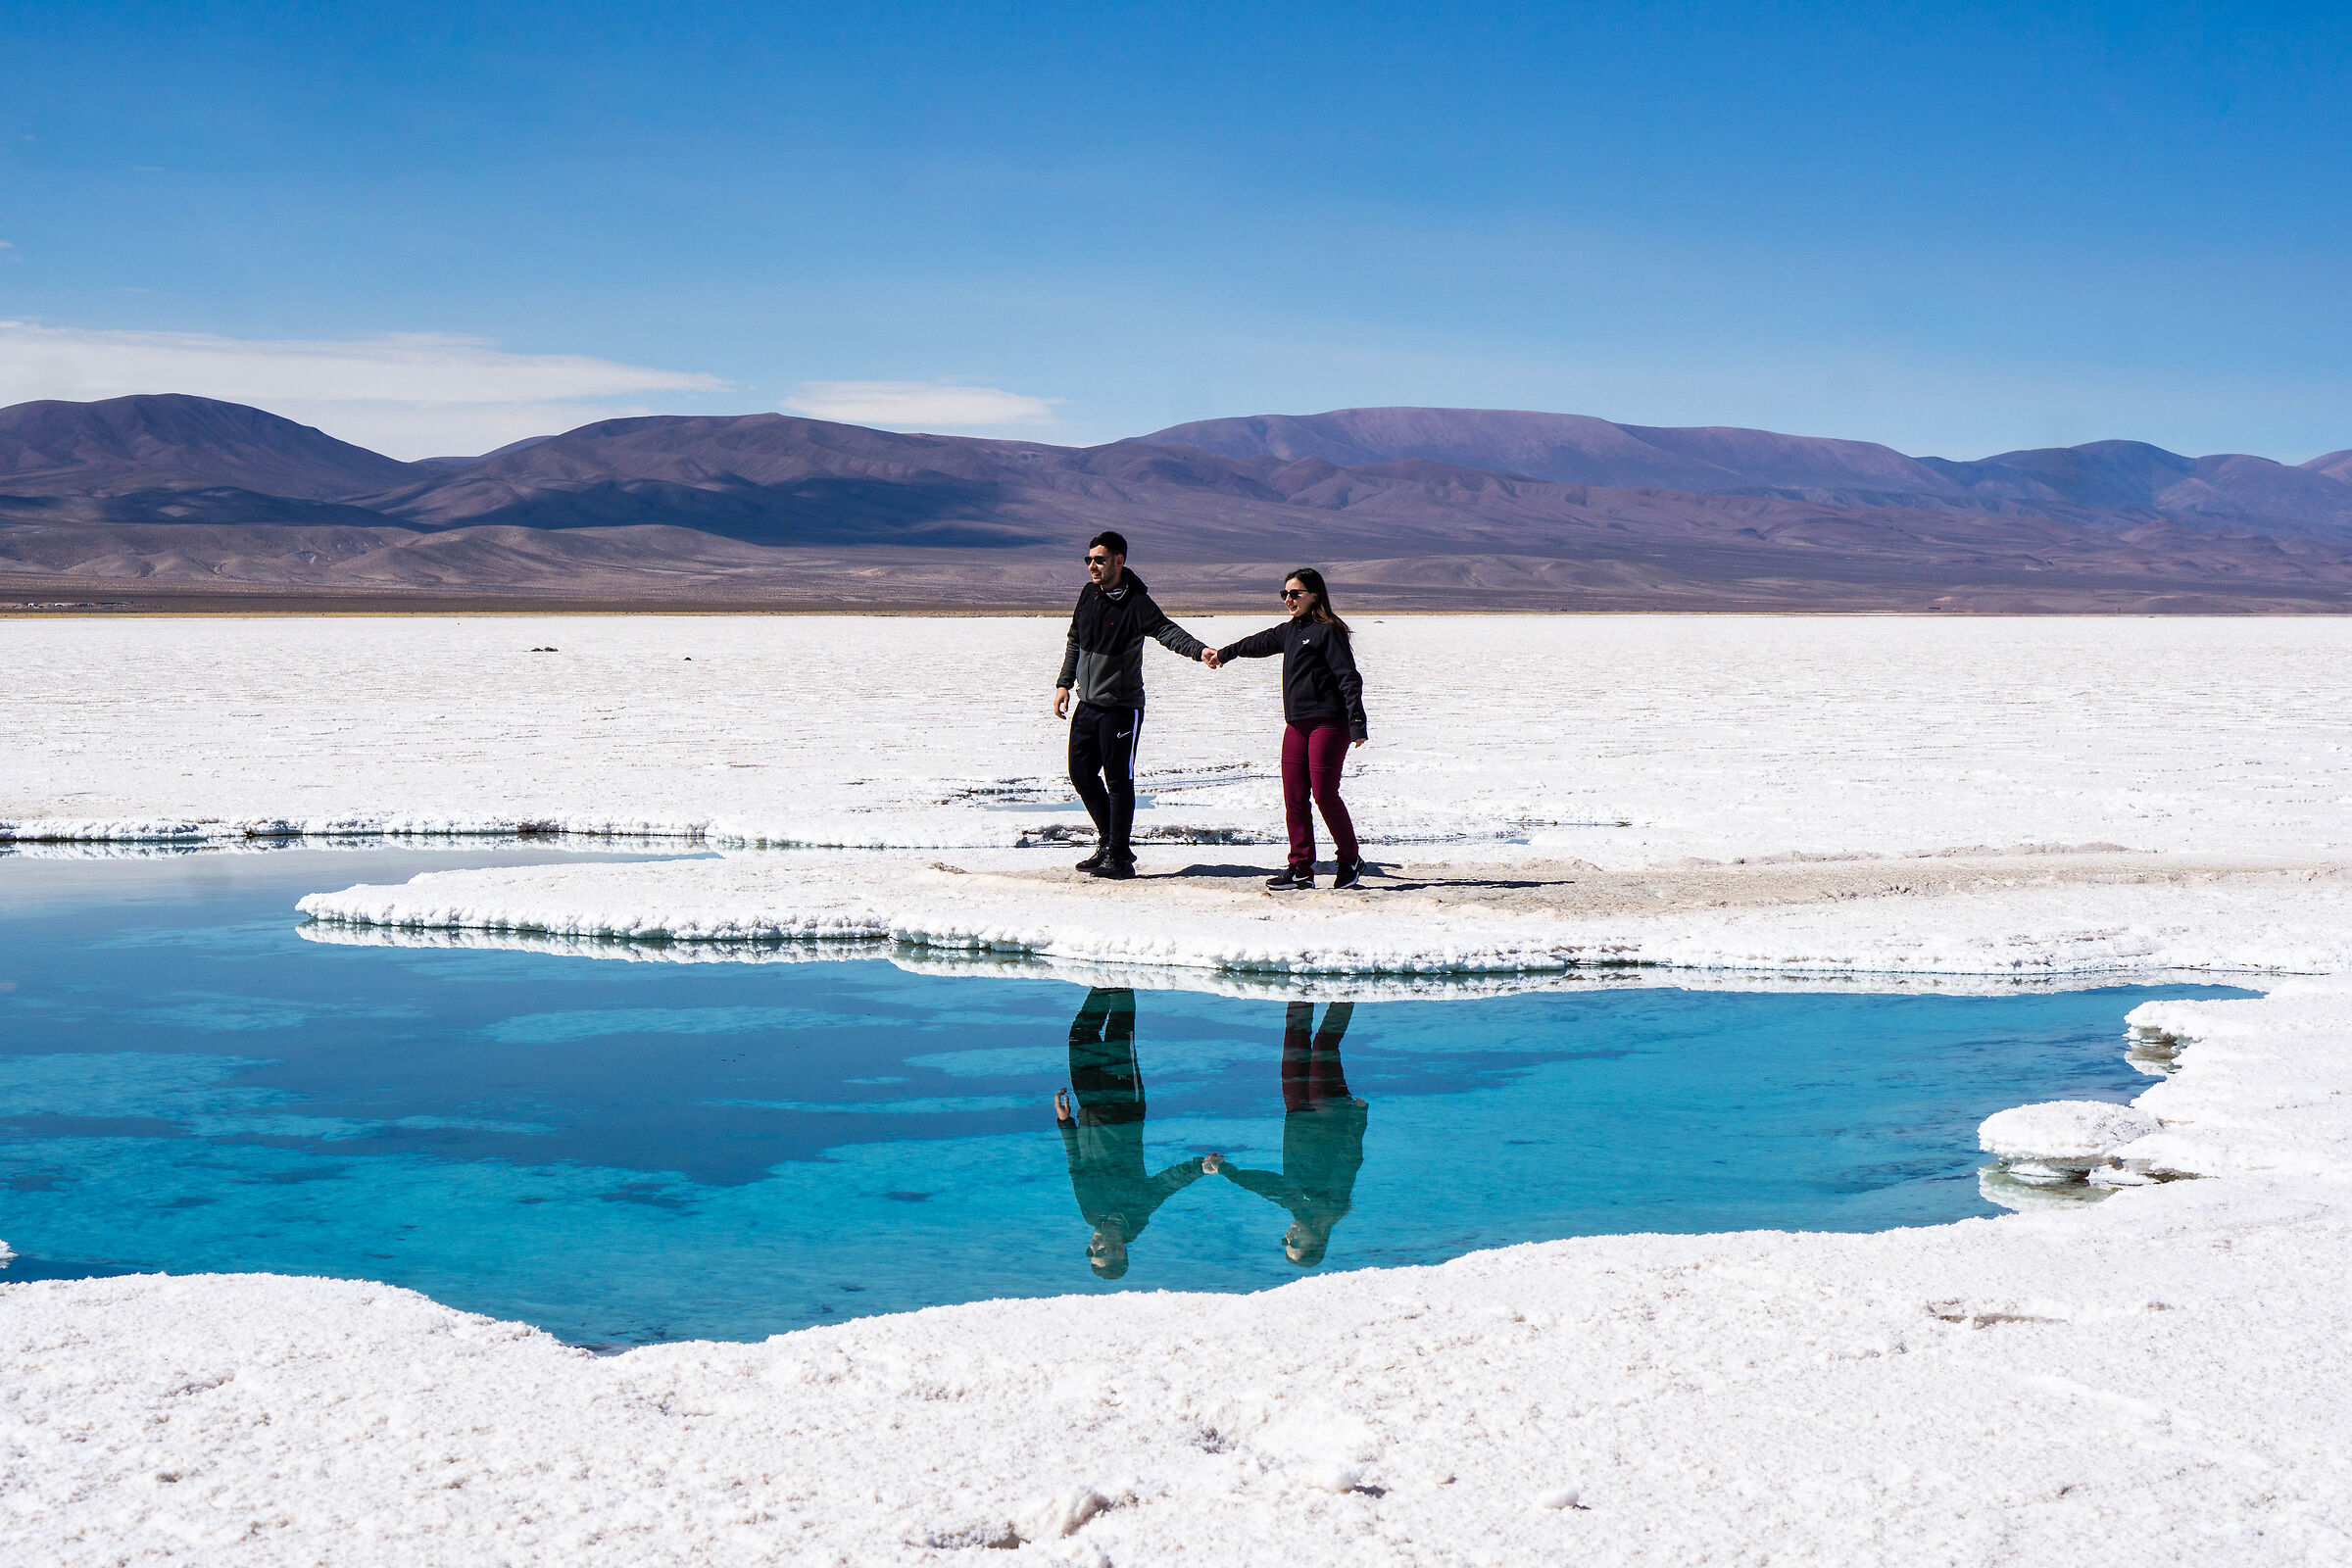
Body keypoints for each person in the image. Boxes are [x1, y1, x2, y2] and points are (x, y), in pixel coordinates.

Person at [1053, 530, 1213, 881]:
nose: (1092, 566)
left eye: (1099, 560)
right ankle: (1111, 842)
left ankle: (1119, 857)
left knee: (1118, 781)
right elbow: (1075, 641)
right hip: (1088, 704)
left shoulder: (1137, 603)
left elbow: (1167, 632)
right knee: (1080, 773)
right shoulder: (1088, 594)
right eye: (1089, 560)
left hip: (1122, 706)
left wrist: (1199, 651)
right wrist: (1065, 683)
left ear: (1118, 561)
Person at [1204, 567, 1367, 890]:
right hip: (1296, 724)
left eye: (1295, 594)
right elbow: (1257, 643)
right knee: (1294, 796)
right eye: (1285, 594)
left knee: (1323, 793)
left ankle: (1350, 860)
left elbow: (1348, 677)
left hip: (1329, 723)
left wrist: (1356, 721)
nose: (1288, 599)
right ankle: (1301, 868)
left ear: (1315, 595)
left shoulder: (1328, 630)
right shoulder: (1291, 631)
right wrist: (1224, 654)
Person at [1053, 986, 1213, 1280]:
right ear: (1121, 1251)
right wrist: (1200, 1167)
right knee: (1118, 1032)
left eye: (1092, 1253)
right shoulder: (1137, 1212)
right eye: (1102, 1253)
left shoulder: (1091, 1214)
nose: (1094, 1247)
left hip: (1089, 1107)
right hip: (1124, 1105)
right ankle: (1122, 978)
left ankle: (1101, 979)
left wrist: (1066, 1125)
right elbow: (1167, 1182)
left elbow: (1077, 1168)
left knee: (1080, 1034)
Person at [1206, 1001, 1367, 1268]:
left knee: (1294, 1041)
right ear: (1315, 1240)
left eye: (1284, 1243)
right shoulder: (1331, 1206)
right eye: (1293, 1243)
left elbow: (1263, 1185)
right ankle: (1345, 992)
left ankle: (1299, 990)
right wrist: (1359, 1119)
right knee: (1323, 1047)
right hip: (1332, 1117)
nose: (1286, 1237)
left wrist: (1226, 1170)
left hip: (1297, 1114)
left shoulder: (1295, 1205)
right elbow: (1350, 1161)